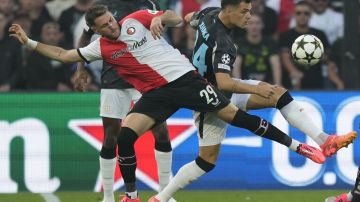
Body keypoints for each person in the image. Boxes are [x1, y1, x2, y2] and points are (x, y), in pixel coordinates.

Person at [7, 5, 352, 202]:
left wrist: (161, 18)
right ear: (96, 30)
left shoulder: (137, 20)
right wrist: (29, 41)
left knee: (234, 116)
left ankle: (299, 146)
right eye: (104, 26)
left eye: (112, 20)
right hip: (157, 95)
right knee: (125, 137)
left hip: (186, 82)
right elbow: (65, 54)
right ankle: (130, 196)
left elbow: (175, 17)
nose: (112, 26)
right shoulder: (102, 48)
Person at [151, 1, 356, 201]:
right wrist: (256, 87)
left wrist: (184, 24)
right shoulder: (224, 43)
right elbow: (224, 82)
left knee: (279, 94)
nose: (249, 16)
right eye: (244, 11)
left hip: (216, 87)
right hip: (209, 99)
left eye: (249, 11)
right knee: (205, 161)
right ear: (229, 10)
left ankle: (325, 140)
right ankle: (161, 198)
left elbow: (189, 18)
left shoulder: (209, 13)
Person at [73, 1, 176, 202]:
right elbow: (85, 37)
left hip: (145, 79)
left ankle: (165, 194)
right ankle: (109, 196)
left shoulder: (147, 3)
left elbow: (161, 26)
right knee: (110, 137)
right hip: (113, 80)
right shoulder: (101, 7)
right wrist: (80, 69)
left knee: (161, 131)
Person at [279, 1, 343, 90]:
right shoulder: (286, 36)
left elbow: (327, 57)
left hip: (316, 82)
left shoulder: (320, 34)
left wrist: (311, 53)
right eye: (298, 13)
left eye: (306, 13)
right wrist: (294, 72)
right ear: (293, 15)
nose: (302, 16)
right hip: (293, 82)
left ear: (311, 15)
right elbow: (285, 58)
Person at [233, 14, 281, 85]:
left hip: (267, 85)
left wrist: (278, 84)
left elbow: (275, 65)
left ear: (262, 25)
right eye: (251, 23)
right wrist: (238, 86)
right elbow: (236, 66)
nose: (254, 26)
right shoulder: (238, 43)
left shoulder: (270, 43)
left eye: (257, 23)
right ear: (245, 25)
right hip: (245, 85)